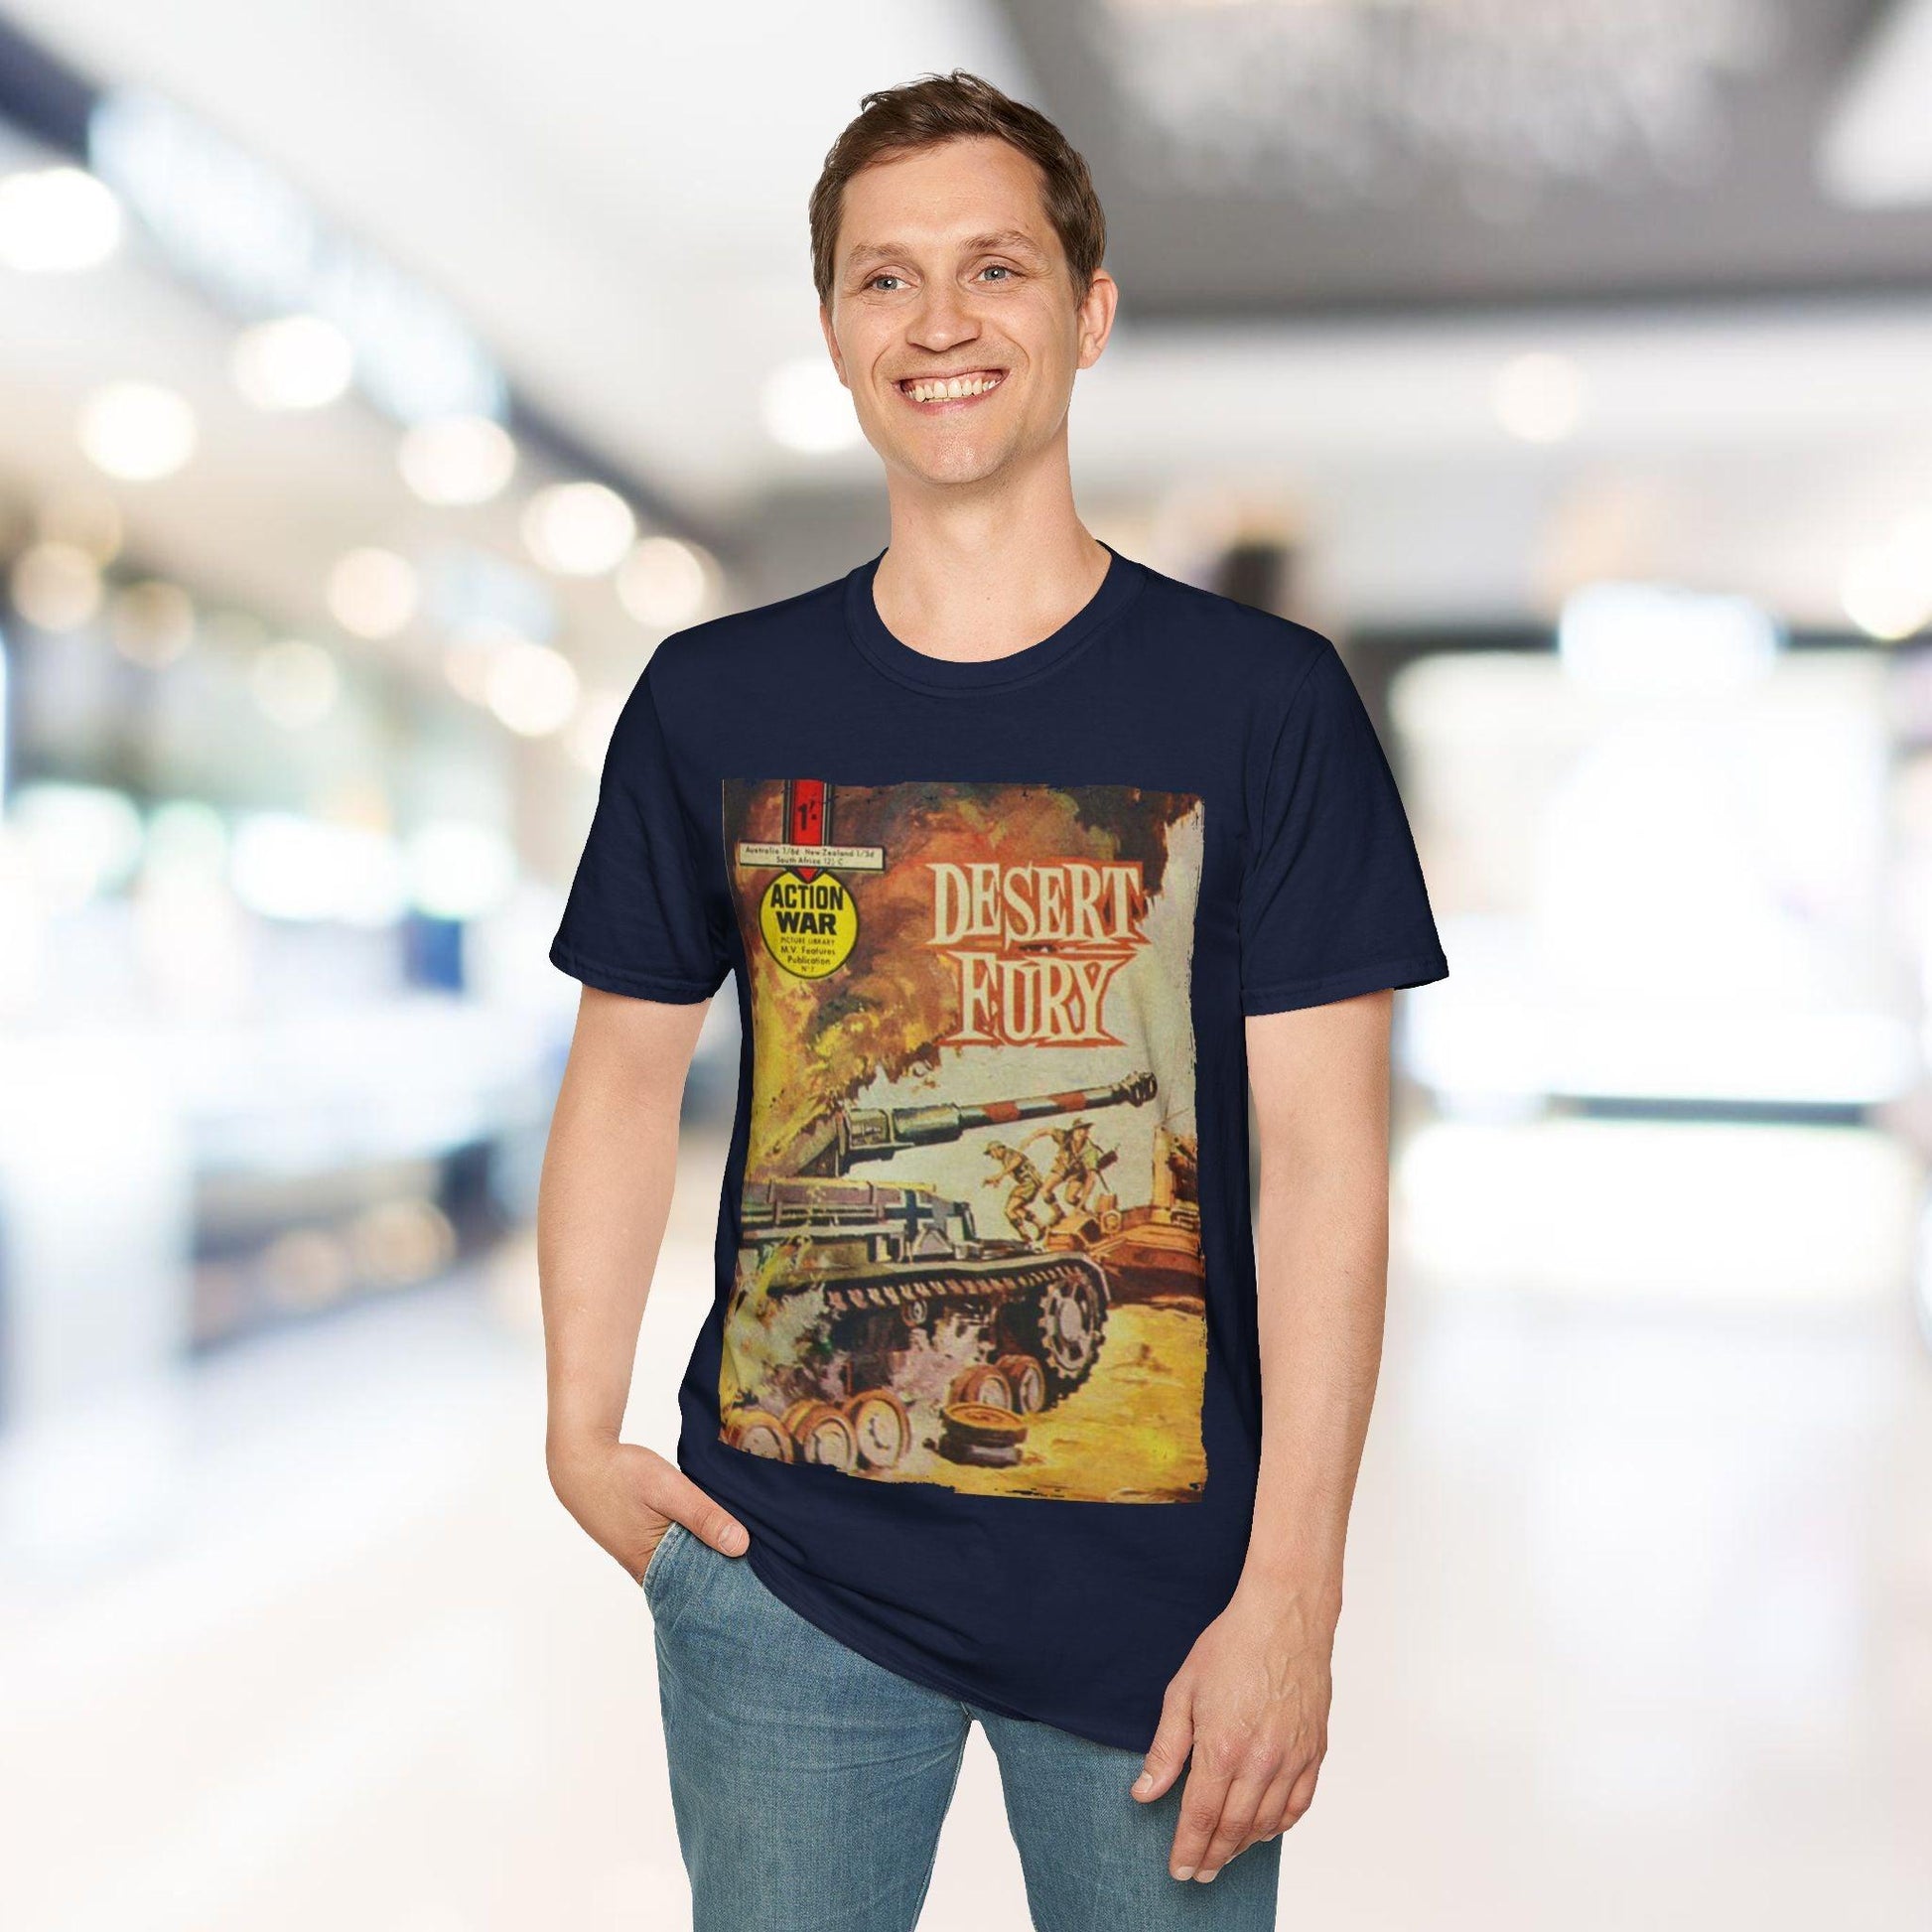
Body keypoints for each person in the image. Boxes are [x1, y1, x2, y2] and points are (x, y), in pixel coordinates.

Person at [538, 69, 1448, 1931]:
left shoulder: (1263, 706)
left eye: (993, 270)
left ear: (1085, 312)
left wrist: (1295, 1592)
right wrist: (576, 1421)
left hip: (1168, 1602)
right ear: (834, 330)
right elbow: (627, 1075)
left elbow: (1325, 1168)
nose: (938, 323)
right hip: (779, 1577)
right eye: (884, 280)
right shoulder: (714, 702)